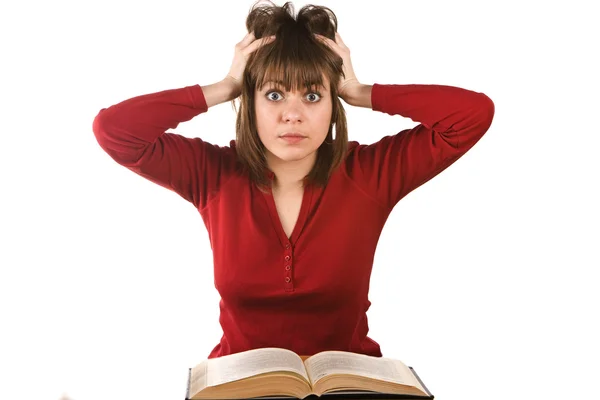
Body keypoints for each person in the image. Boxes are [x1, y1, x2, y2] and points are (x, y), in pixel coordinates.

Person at [92, 1, 495, 360]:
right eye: (273, 95)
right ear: (249, 103)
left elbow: (471, 115)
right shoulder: (211, 174)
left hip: (347, 384)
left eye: (313, 96)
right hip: (239, 387)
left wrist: (360, 90)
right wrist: (226, 86)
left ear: (333, 103)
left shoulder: (370, 174)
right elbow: (115, 130)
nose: (293, 114)